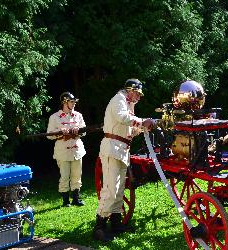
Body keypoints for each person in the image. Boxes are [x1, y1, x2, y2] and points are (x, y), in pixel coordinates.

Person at [93, 79, 155, 241]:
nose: (139, 97)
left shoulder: (128, 104)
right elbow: (122, 117)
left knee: (119, 189)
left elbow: (129, 130)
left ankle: (116, 223)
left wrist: (141, 128)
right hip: (112, 148)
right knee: (110, 189)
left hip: (121, 149)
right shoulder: (118, 99)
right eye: (138, 93)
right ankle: (99, 226)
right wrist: (142, 122)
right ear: (130, 90)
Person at [47, 92, 86, 207]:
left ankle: (76, 198)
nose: (74, 104)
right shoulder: (54, 117)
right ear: (65, 102)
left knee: (77, 175)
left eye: (74, 102)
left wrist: (78, 129)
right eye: (71, 102)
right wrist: (60, 133)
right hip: (62, 150)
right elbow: (49, 135)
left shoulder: (78, 115)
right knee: (64, 176)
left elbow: (84, 131)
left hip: (77, 150)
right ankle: (65, 201)